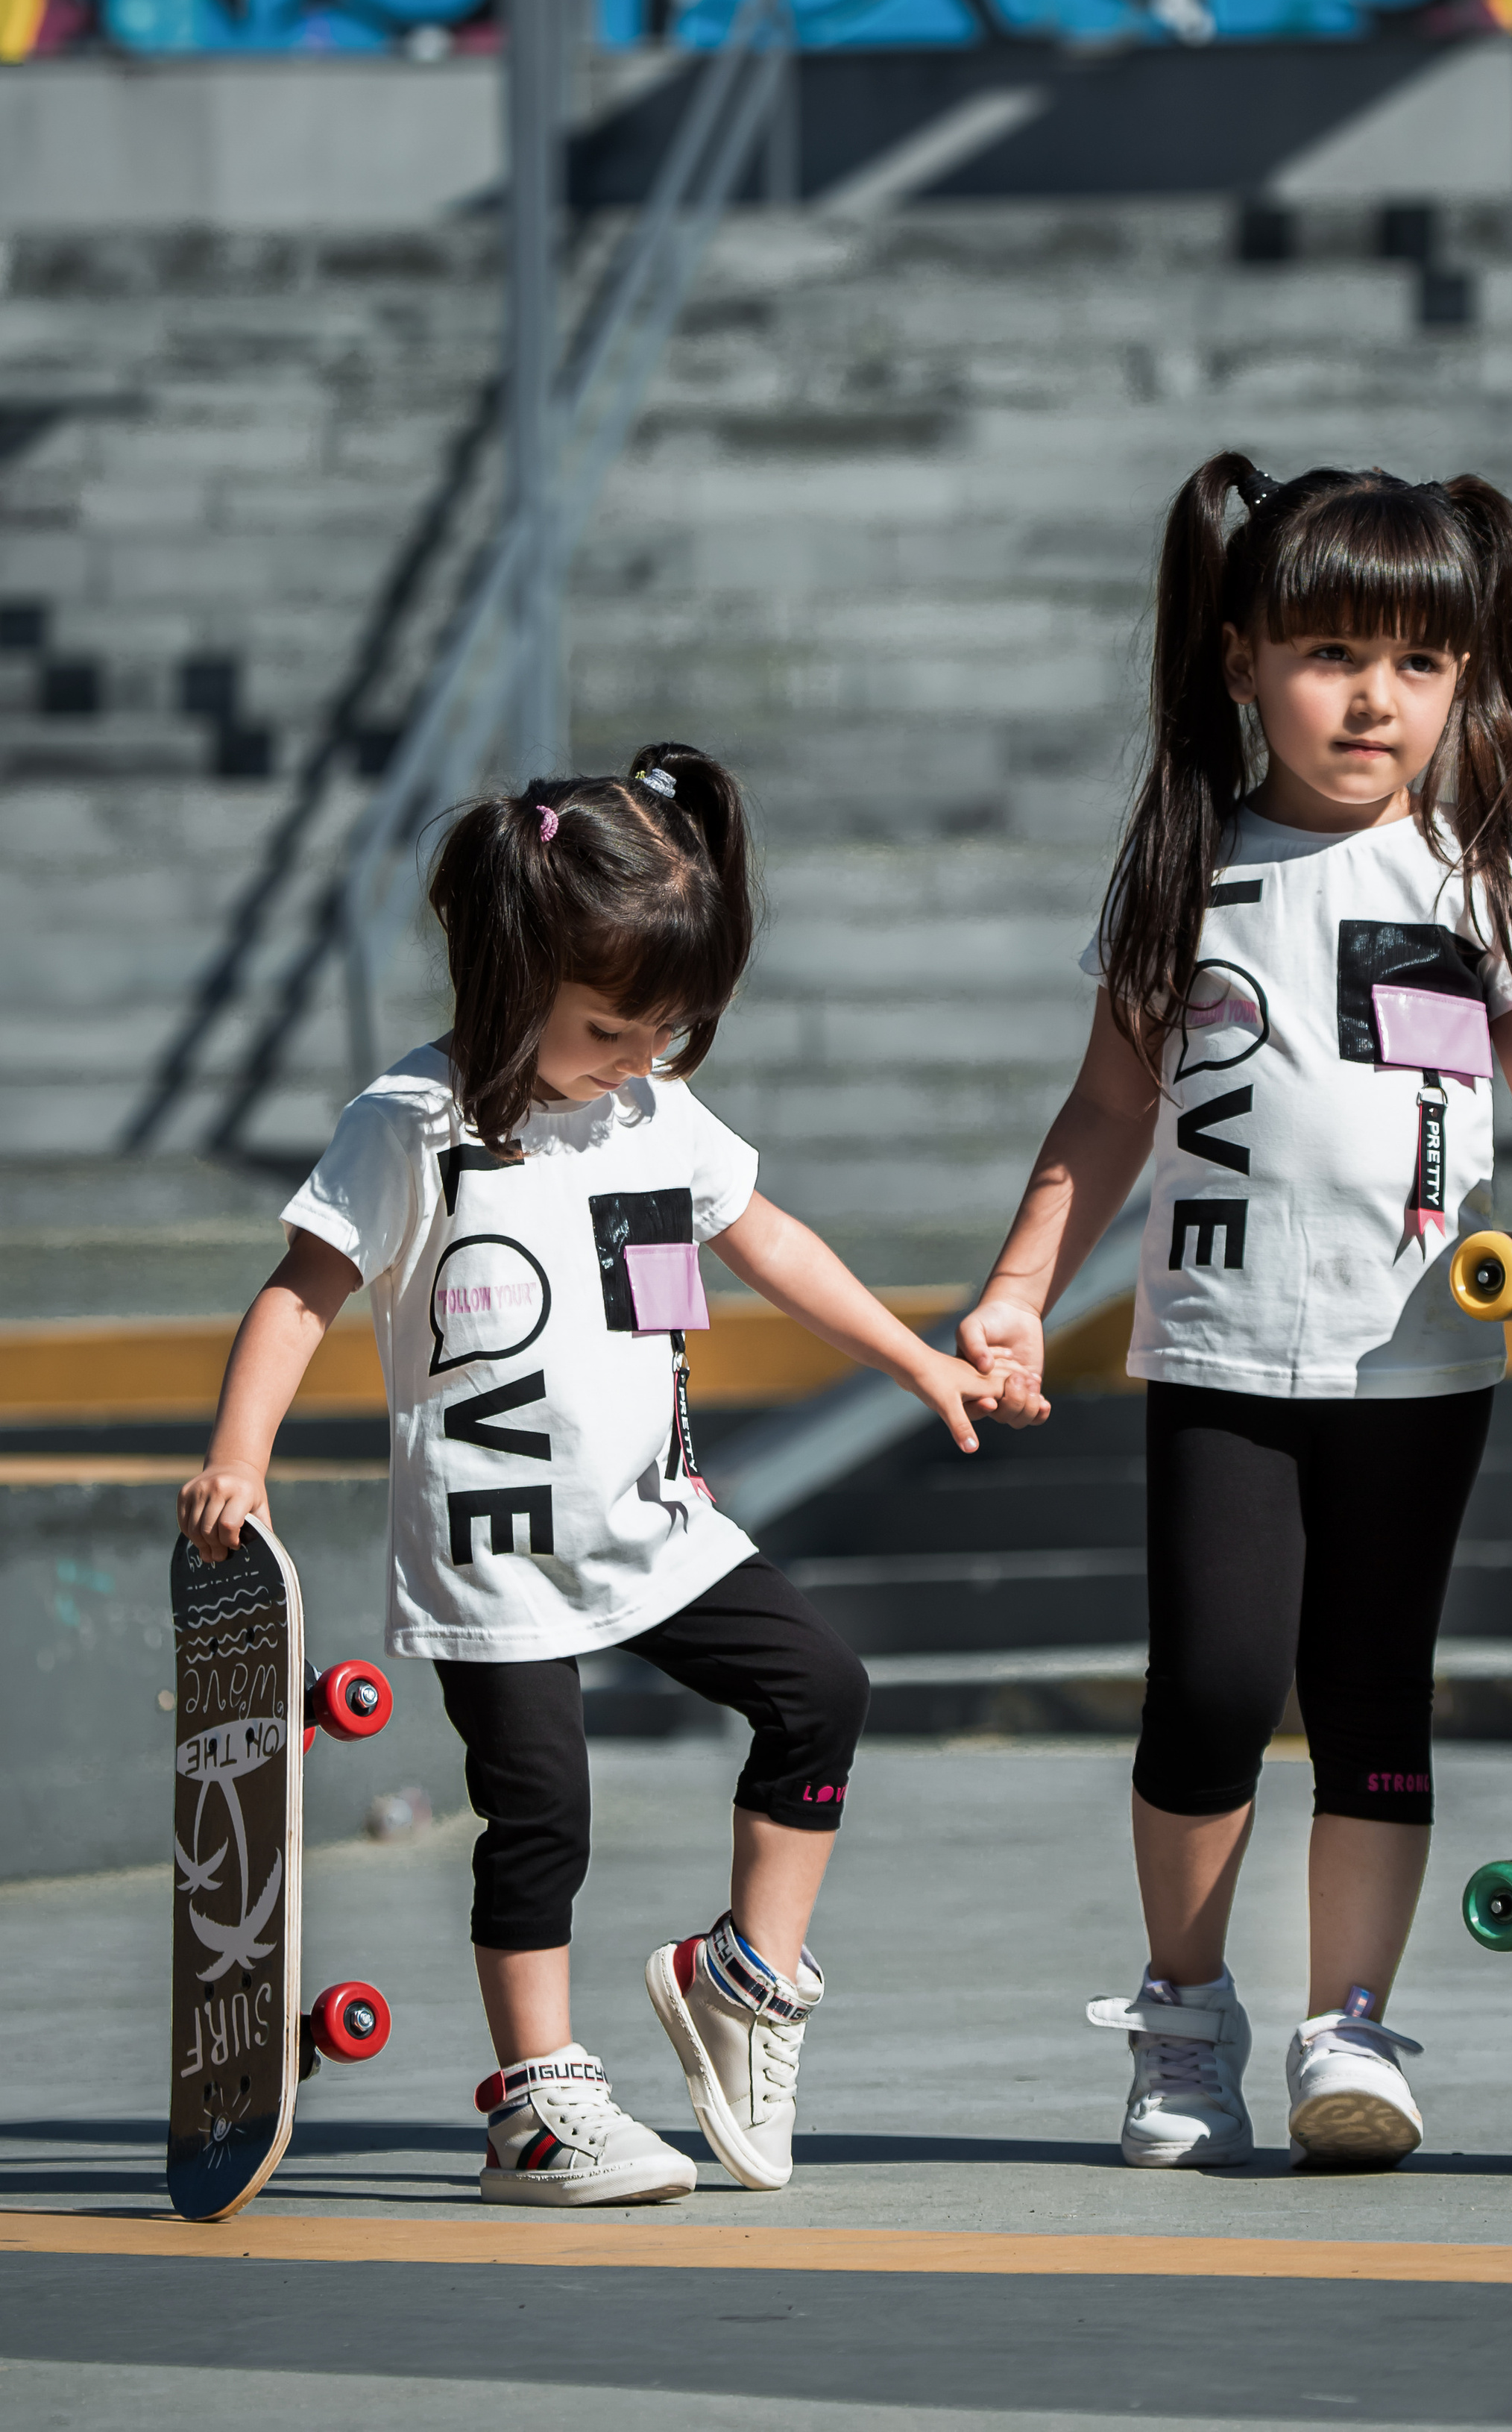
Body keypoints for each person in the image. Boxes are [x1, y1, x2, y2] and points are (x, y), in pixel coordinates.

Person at [961, 461, 1512, 2170]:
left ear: (1463, 676)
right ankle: (1182, 2021)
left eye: (1416, 660)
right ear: (1240, 658)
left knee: (1374, 1692)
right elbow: (1106, 1109)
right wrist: (1017, 1292)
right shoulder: (1183, 873)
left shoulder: (1488, 875)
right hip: (1220, 1350)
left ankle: (1351, 2028)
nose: (1373, 696)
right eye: (1328, 652)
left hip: (1419, 1356)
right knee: (1214, 1688)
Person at [177, 745, 1018, 2208]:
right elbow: (301, 1292)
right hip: (494, 1545)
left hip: (655, 1521)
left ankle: (743, 1978)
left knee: (819, 1687)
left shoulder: (651, 1111)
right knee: (541, 1809)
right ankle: (537, 2101)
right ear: (513, 977)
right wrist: (239, 1456)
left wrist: (913, 1356)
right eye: (611, 1026)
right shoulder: (412, 1122)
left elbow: (770, 1239)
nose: (639, 1056)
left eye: (666, 1028)